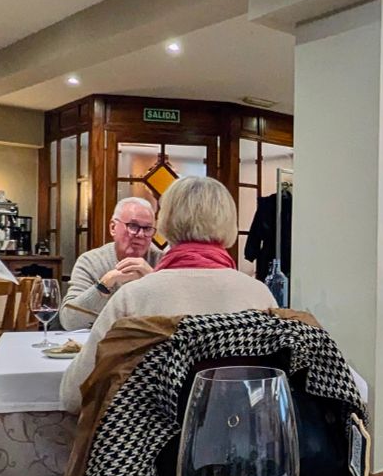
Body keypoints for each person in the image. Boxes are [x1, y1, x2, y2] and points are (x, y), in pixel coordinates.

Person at [60, 176, 277, 413]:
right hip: (240, 428)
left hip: (152, 432)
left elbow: (74, 396)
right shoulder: (259, 294)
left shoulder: (133, 296)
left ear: (164, 222)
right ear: (230, 223)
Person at [59, 197, 164, 331]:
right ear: (113, 227)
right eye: (133, 226)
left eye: (148, 228)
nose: (141, 234)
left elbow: (181, 318)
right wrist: (105, 284)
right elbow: (69, 321)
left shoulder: (163, 261)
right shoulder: (91, 262)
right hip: (102, 341)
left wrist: (152, 279)